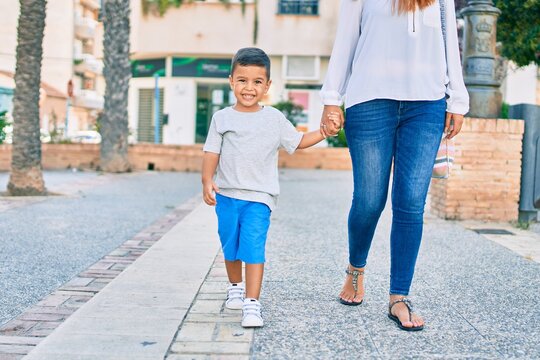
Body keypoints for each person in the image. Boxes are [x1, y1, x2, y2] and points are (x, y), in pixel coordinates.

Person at [319, 0, 469, 331]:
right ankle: (355, 269)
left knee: (411, 203)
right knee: (370, 199)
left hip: (426, 105)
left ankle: (398, 297)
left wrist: (457, 98)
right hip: (370, 100)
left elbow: (449, 47)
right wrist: (332, 98)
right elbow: (345, 39)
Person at [202, 47, 339, 328]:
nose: (249, 88)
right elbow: (211, 152)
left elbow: (297, 142)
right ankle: (235, 288)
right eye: (242, 80)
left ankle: (252, 304)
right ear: (231, 81)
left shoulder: (274, 118)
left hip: (259, 199)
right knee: (230, 246)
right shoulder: (222, 118)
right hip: (227, 195)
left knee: (253, 248)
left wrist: (323, 132)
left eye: (256, 82)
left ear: (267, 86)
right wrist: (207, 180)